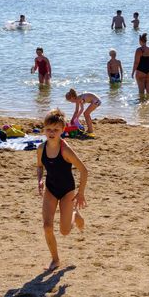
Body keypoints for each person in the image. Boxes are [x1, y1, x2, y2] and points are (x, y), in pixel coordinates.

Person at [36, 109, 87, 271]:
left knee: (65, 231)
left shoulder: (65, 150)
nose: (51, 133)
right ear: (44, 129)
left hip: (67, 192)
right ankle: (55, 260)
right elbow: (39, 166)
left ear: (62, 130)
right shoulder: (40, 148)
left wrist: (80, 193)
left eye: (56, 130)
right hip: (51, 189)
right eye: (48, 129)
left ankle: (74, 214)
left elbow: (84, 170)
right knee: (47, 226)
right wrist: (40, 179)